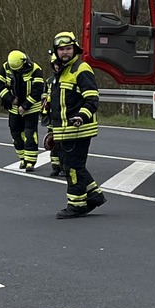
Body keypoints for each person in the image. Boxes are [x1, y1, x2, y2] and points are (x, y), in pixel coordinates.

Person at [46, 29, 107, 219]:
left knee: (72, 168)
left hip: (78, 129)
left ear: (75, 49)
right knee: (71, 165)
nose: (65, 52)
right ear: (56, 52)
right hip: (64, 130)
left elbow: (92, 99)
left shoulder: (81, 69)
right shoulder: (60, 72)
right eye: (62, 49)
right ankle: (94, 195)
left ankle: (77, 205)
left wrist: (81, 116)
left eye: (69, 48)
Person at [0, 49, 46, 172]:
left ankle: (30, 162)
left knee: (29, 134)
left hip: (31, 108)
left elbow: (37, 91)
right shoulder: (6, 67)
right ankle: (22, 158)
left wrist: (25, 106)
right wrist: (10, 99)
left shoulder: (35, 69)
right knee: (16, 134)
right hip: (13, 108)